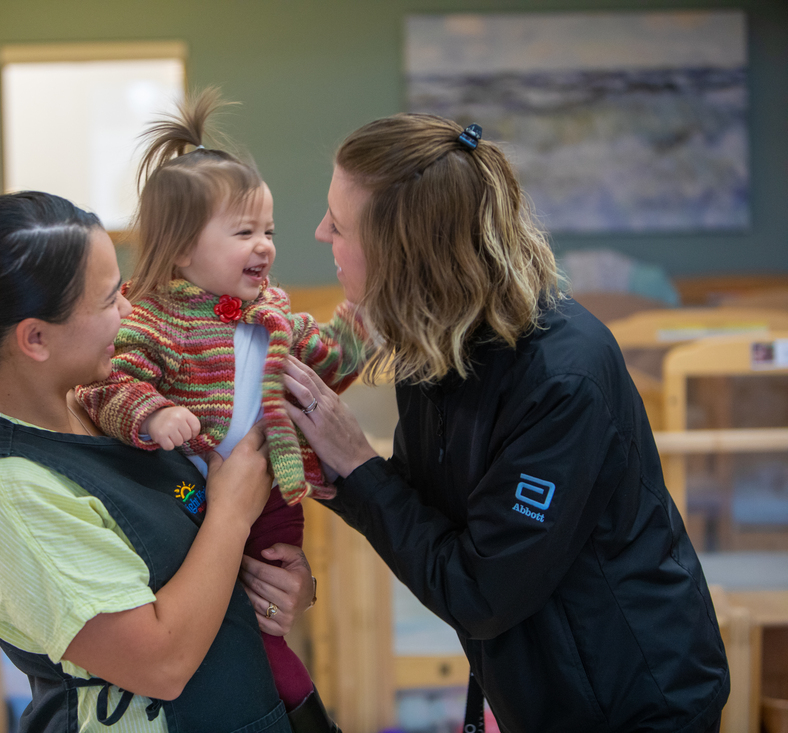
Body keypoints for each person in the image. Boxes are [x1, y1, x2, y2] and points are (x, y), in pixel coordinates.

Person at [281, 114, 729, 733]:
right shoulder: (436, 345)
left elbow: (478, 590)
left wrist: (357, 466)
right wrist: (320, 466)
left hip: (635, 704)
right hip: (535, 682)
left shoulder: (562, 380)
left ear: (403, 251)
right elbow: (422, 510)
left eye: (340, 222)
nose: (320, 232)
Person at [0, 191, 313, 732]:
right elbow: (161, 663)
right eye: (108, 301)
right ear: (35, 338)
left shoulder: (106, 406)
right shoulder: (7, 491)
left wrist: (282, 588)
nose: (129, 311)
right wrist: (232, 511)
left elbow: (195, 560)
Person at [76, 91, 364, 728]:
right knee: (238, 631)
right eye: (243, 233)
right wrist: (152, 415)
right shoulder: (156, 318)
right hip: (194, 504)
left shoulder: (274, 312)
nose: (264, 246)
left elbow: (329, 363)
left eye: (267, 231)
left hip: (273, 505)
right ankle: (303, 715)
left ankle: (287, 705)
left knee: (266, 622)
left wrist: (361, 326)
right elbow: (109, 390)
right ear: (181, 250)